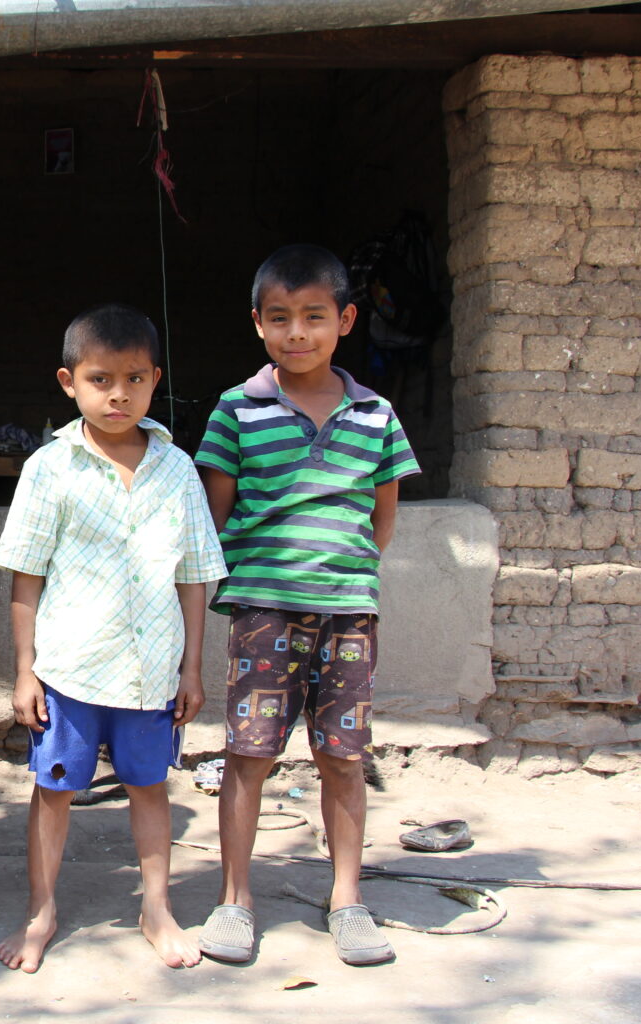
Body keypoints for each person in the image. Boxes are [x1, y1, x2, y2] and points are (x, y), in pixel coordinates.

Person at [193, 244, 420, 966]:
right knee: (248, 754)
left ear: (346, 320)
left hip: (348, 611)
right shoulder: (237, 410)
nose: (298, 333)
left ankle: (347, 900)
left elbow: (382, 521)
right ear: (258, 323)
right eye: (281, 317)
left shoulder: (376, 414)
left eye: (315, 317)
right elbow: (214, 519)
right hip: (264, 609)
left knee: (343, 758)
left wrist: (339, 575)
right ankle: (234, 900)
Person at [0, 305, 227, 974]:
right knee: (54, 790)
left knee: (149, 786)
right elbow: (27, 578)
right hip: (68, 668)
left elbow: (193, 578)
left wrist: (191, 668)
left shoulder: (177, 470)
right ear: (69, 383)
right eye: (100, 380)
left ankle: (157, 908)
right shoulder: (49, 468)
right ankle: (41, 911)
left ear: (155, 380)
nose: (118, 395)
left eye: (133, 379)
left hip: (151, 670)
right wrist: (25, 671)